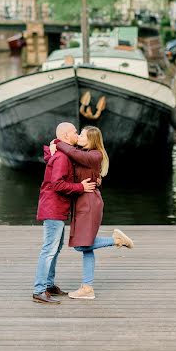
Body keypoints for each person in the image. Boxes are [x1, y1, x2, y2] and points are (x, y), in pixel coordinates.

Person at [51, 126, 133, 300]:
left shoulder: (95, 155)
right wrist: (51, 148)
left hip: (89, 204)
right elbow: (65, 160)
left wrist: (58, 142)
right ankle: (87, 288)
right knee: (87, 248)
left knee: (82, 244)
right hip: (82, 202)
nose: (79, 136)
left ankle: (116, 240)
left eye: (82, 135)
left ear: (91, 140)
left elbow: (75, 155)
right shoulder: (81, 152)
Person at [33, 122, 96, 304]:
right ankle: (39, 290)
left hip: (57, 208)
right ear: (67, 135)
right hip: (53, 208)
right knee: (49, 250)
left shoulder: (62, 153)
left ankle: (49, 285)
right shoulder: (61, 157)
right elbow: (57, 184)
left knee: (55, 248)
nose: (77, 134)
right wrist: (81, 187)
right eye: (76, 132)